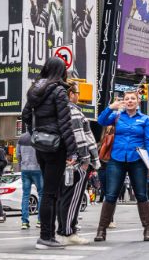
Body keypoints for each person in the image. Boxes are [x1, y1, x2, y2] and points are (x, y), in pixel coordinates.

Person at [21, 57, 76, 250]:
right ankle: (46, 236)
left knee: (49, 191)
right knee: (51, 193)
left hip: (40, 146)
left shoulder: (35, 89)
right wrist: (72, 150)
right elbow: (64, 123)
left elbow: (25, 115)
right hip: (56, 146)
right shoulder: (59, 91)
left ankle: (50, 235)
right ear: (61, 71)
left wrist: (35, 133)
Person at [95, 90, 149, 242]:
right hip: (117, 159)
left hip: (137, 161)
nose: (129, 101)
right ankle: (101, 230)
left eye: (132, 99)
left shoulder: (145, 119)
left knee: (141, 194)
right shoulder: (117, 116)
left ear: (138, 102)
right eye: (127, 99)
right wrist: (111, 107)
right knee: (110, 195)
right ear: (123, 101)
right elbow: (101, 121)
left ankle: (148, 229)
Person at [57, 80, 101, 246]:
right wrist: (86, 159)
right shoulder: (73, 111)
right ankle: (69, 232)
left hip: (64, 161)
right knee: (73, 198)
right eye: (77, 94)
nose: (78, 97)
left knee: (63, 197)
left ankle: (64, 229)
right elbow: (80, 137)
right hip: (76, 162)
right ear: (71, 95)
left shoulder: (59, 110)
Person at [29, 0, 93, 79]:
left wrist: (87, 19)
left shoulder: (71, 12)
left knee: (74, 85)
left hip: (67, 61)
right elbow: (39, 25)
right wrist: (34, 9)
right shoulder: (48, 8)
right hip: (51, 59)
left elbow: (81, 32)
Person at [16, 131, 43, 230]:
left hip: (25, 169)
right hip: (38, 169)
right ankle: (40, 220)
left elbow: (18, 154)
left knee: (25, 195)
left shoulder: (21, 138)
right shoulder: (39, 136)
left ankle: (24, 222)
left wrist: (22, 164)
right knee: (41, 194)